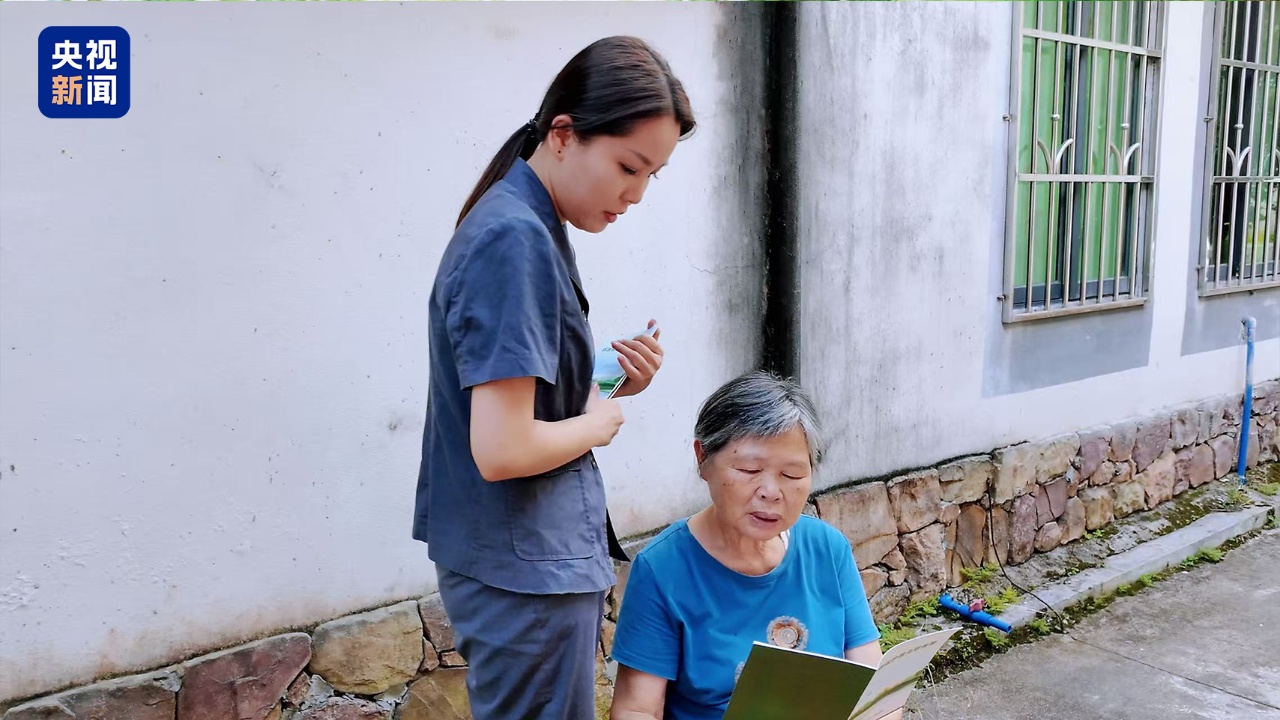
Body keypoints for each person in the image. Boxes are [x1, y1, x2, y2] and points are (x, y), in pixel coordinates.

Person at [412, 36, 697, 720]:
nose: (635, 194)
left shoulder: (529, 222)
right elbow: (504, 447)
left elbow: (523, 399)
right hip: (525, 570)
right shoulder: (514, 239)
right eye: (628, 166)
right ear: (565, 134)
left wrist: (608, 381)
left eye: (652, 176)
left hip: (524, 562)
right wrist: (600, 423)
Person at [609, 371, 896, 720]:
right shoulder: (663, 568)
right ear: (702, 458)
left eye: (791, 475)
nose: (771, 492)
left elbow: (873, 689)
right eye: (748, 469)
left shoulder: (828, 549)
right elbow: (636, 709)